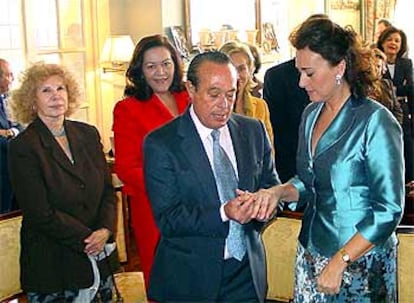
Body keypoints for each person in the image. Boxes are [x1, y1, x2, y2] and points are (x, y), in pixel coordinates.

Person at [265, 18, 404, 302]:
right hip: (312, 250)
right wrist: (279, 191)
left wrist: (340, 261)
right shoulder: (311, 114)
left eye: (309, 73)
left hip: (359, 262)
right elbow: (310, 181)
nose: (301, 82)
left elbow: (389, 208)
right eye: (299, 71)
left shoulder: (375, 121)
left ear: (339, 67)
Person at [143, 51, 281, 302]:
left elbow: (272, 188)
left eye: (231, 94)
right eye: (214, 94)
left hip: (246, 275)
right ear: (191, 89)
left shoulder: (253, 131)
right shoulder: (162, 143)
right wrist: (224, 213)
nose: (224, 104)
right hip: (190, 280)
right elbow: (169, 219)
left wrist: (264, 205)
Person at [8, 62, 120, 302]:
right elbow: (40, 212)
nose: (56, 96)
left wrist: (105, 230)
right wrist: (90, 238)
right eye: (46, 90)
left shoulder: (88, 134)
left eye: (61, 88)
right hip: (54, 265)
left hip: (100, 256)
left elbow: (108, 192)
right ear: (32, 99)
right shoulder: (23, 146)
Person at [112, 34, 190, 287]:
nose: (161, 72)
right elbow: (126, 166)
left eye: (166, 64)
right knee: (164, 279)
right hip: (155, 207)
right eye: (151, 66)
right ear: (140, 70)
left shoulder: (189, 99)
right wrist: (169, 186)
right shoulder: (128, 109)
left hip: (197, 204)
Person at [219, 41, 274, 151]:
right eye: (231, 69)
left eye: (241, 69)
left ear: (250, 70)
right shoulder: (212, 107)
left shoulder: (260, 106)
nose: (237, 76)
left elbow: (269, 152)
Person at [377, 26, 414, 183]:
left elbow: (411, 87)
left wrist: (393, 89)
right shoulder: (376, 59)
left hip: (402, 109)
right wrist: (397, 89)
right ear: (383, 42)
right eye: (389, 39)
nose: (393, 43)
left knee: (407, 143)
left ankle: (409, 180)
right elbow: (377, 86)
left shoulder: (406, 63)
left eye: (397, 40)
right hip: (381, 107)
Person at [0, 58, 21, 214]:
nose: (12, 79)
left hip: (17, 171)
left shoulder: (11, 99)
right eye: (9, 75)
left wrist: (11, 132)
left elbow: (22, 125)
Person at [369, 47, 403, 124]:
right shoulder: (358, 85)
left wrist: (392, 128)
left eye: (379, 66)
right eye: (374, 66)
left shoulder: (387, 84)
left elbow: (397, 111)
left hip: (387, 128)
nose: (375, 69)